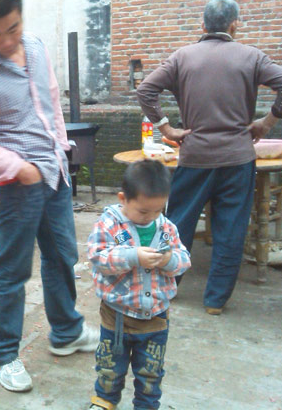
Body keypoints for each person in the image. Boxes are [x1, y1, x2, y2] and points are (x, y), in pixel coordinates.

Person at [0, 0, 99, 393]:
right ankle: (2, 354)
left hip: (54, 171)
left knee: (62, 255)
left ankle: (66, 331)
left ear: (20, 17)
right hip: (15, 185)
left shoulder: (34, 47)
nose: (4, 41)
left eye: (11, 29)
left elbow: (50, 100)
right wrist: (19, 168)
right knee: (11, 269)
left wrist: (61, 149)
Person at [136, 0, 282, 315]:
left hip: (195, 156)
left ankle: (168, 288)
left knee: (178, 225)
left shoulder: (182, 57)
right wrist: (267, 122)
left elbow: (145, 90)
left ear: (202, 26)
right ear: (234, 25)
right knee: (231, 228)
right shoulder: (251, 56)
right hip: (237, 157)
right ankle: (215, 301)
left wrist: (166, 128)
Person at [86, 160, 191, 410]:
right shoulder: (109, 224)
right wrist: (133, 256)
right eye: (143, 212)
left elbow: (184, 259)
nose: (151, 217)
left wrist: (168, 260)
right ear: (123, 199)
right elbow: (98, 258)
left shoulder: (166, 228)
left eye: (158, 210)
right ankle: (105, 400)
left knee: (151, 370)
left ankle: (146, 405)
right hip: (116, 316)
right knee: (110, 365)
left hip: (156, 316)